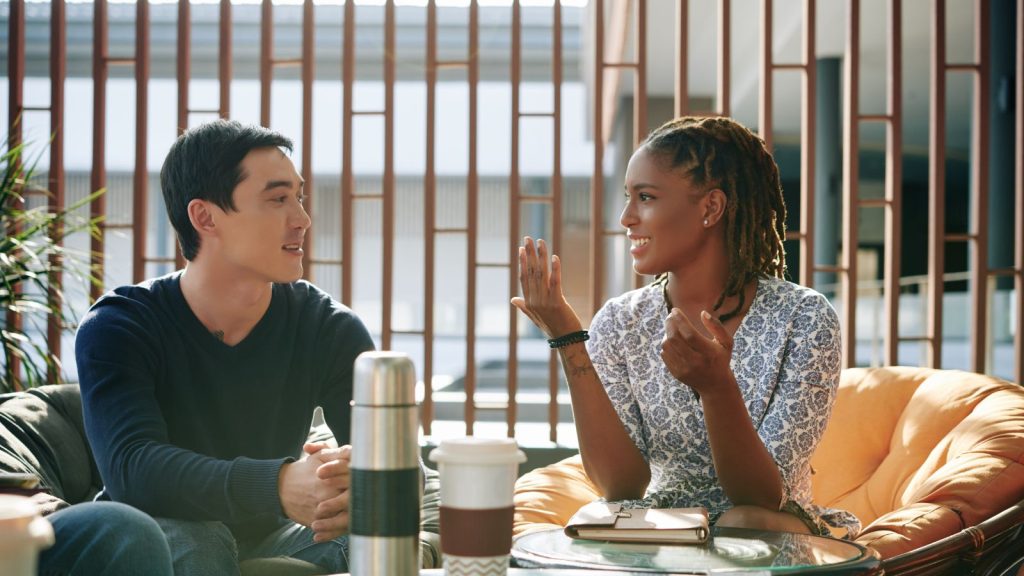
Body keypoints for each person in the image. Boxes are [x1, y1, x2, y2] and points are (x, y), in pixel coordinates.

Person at [72, 119, 425, 575]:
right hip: (154, 535)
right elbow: (132, 469)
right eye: (278, 199)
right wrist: (277, 484)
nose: (302, 218)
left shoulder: (327, 327)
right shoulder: (121, 325)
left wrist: (366, 487)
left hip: (280, 536)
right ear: (205, 217)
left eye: (299, 197)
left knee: (375, 536)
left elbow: (404, 476)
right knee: (200, 541)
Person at [512, 116, 860, 537]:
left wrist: (716, 388)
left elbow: (761, 497)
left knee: (740, 523)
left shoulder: (804, 319)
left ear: (711, 207)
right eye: (628, 197)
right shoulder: (621, 322)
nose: (625, 217)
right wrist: (568, 340)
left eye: (645, 197)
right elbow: (620, 485)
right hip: (662, 534)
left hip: (771, 534)